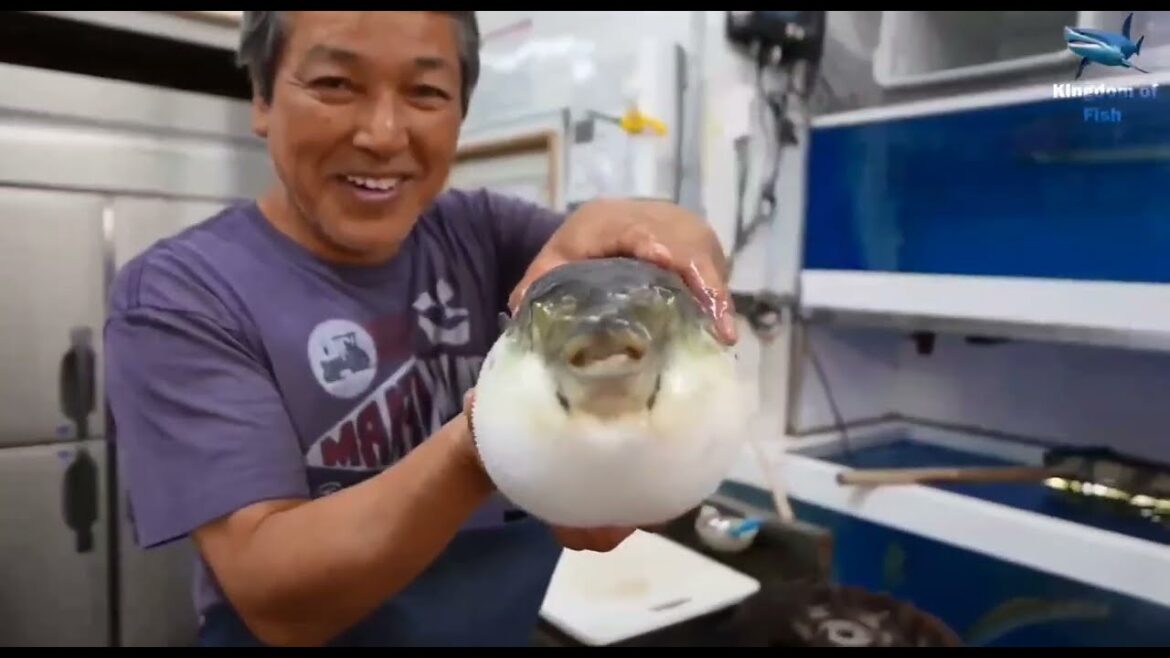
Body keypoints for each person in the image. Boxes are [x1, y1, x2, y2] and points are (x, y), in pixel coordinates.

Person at [103, 10, 737, 648]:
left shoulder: (483, 235)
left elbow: (639, 251)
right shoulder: (180, 295)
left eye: (426, 92)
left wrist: (675, 242)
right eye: (336, 84)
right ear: (262, 97)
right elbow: (279, 599)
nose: (383, 134)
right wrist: (486, 444)